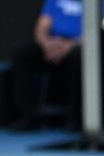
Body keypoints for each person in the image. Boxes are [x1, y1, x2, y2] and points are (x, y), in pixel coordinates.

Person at [8, 0, 83, 131]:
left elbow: (98, 32)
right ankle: (30, 117)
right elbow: (41, 28)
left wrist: (69, 46)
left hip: (78, 47)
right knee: (22, 52)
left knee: (80, 56)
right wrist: (47, 44)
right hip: (52, 45)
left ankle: (75, 119)